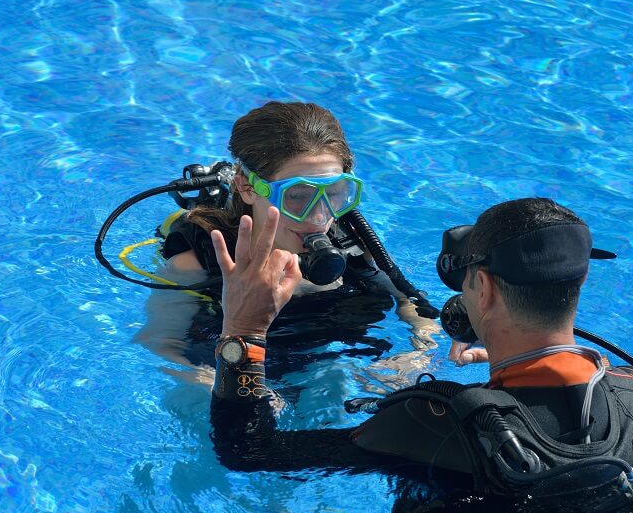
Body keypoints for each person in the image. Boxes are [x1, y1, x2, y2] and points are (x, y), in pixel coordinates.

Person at [205, 197, 633, 513]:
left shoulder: (435, 421)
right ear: (578, 285)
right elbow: (585, 395)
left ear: (483, 288)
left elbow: (249, 451)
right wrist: (517, 364)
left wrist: (244, 333)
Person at [133, 101, 439, 380]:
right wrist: (208, 379)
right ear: (247, 187)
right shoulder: (196, 265)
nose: (319, 216)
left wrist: (419, 351)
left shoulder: (354, 246)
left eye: (333, 194)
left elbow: (413, 304)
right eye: (296, 196)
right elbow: (160, 342)